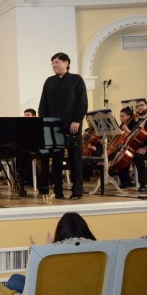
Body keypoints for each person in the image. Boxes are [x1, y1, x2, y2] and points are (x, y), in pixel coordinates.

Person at [38, 52, 88, 200]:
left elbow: (82, 101)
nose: (54, 65)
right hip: (53, 126)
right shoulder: (49, 81)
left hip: (72, 125)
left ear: (66, 63)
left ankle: (77, 191)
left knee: (75, 159)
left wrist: (77, 120)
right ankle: (58, 191)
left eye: (57, 62)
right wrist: (43, 121)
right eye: (53, 63)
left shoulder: (76, 79)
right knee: (56, 159)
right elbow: (43, 104)